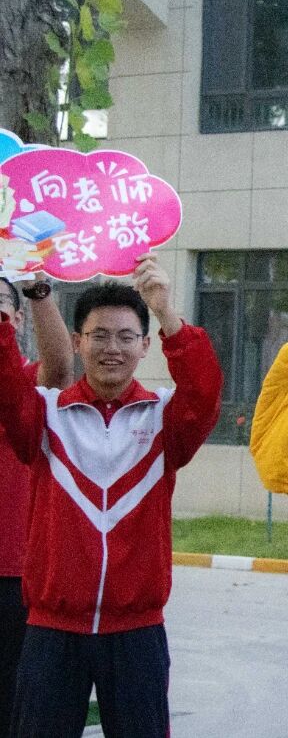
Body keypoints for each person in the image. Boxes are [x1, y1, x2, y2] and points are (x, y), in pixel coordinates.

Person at [0, 254, 222, 737]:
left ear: (145, 346)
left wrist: (165, 310)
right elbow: (7, 389)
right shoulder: (46, 414)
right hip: (52, 631)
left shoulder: (162, 417)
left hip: (137, 632)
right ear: (77, 342)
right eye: (99, 336)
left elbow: (205, 392)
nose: (112, 348)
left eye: (125, 337)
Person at [0, 274, 74, 732]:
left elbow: (61, 367)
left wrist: (38, 291)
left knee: (15, 705)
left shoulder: (28, 382)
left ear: (18, 319)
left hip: (14, 574)